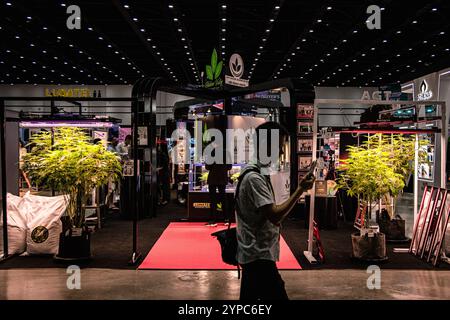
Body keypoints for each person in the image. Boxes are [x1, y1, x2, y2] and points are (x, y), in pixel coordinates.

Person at [236, 122, 315, 300]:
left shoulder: (258, 173)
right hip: (258, 257)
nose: (280, 152)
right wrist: (300, 189)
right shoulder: (254, 178)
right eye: (278, 147)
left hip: (255, 254)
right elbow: (275, 215)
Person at [205, 144, 232, 227]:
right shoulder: (227, 152)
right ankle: (226, 219)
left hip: (213, 178)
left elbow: (207, 167)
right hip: (223, 178)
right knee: (223, 198)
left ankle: (213, 220)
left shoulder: (211, 152)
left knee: (213, 199)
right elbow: (229, 167)